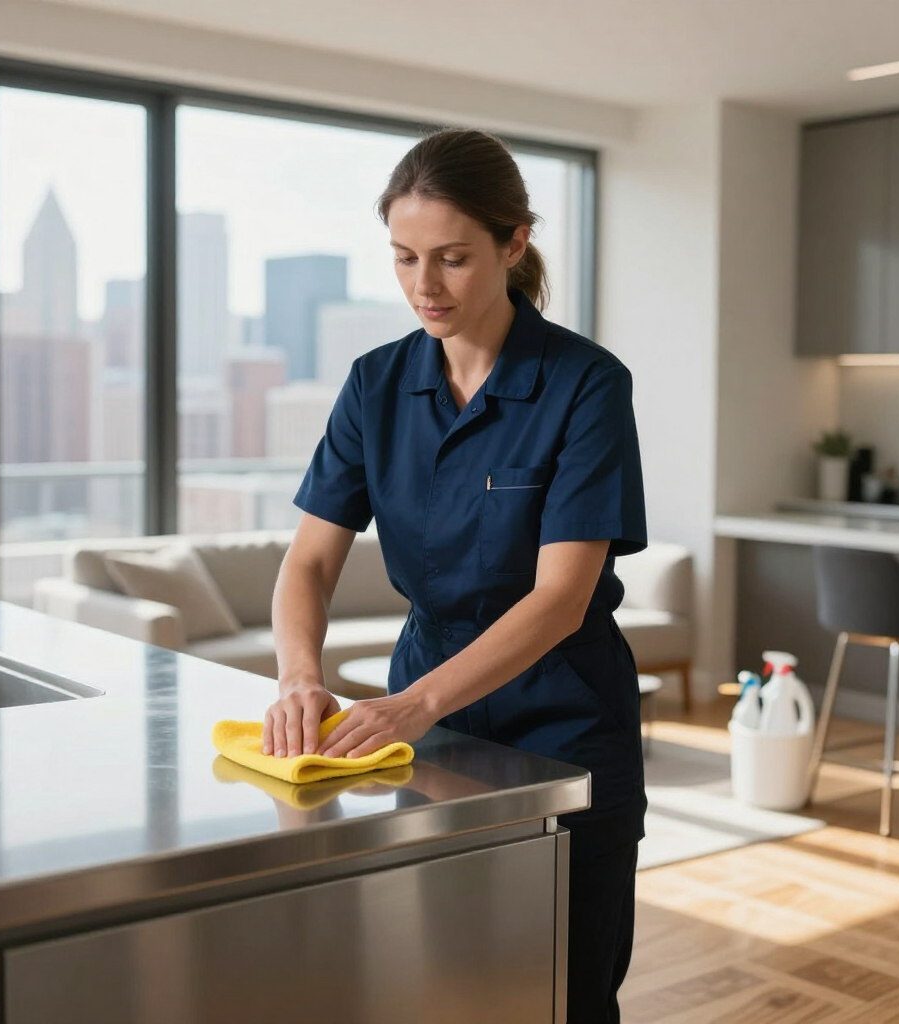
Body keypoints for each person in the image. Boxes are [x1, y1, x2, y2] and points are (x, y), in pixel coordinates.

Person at [262, 127, 647, 1023]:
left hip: (565, 717)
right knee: (431, 976)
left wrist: (411, 706)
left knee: (565, 989)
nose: (424, 287)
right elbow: (310, 560)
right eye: (403, 258)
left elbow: (559, 601)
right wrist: (297, 675)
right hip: (427, 725)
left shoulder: (585, 384)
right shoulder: (375, 384)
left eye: (452, 259)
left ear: (514, 245)